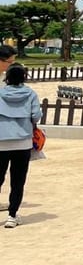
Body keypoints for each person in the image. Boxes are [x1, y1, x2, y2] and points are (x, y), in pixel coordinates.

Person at [0, 63, 42, 228]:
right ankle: (12, 215)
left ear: (7, 77)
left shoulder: (1, 92)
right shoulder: (31, 93)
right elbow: (36, 115)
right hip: (23, 141)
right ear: (24, 77)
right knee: (18, 181)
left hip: (1, 141)